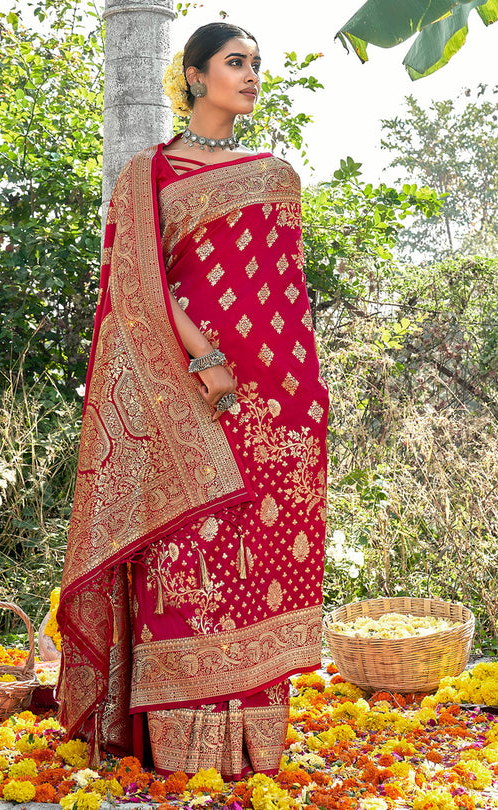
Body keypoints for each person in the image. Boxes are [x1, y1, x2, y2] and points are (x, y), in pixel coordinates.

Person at [57, 21, 329, 780]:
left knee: (258, 562)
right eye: (235, 63)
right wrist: (204, 357)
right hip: (186, 394)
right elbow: (139, 285)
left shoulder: (276, 175)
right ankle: (176, 747)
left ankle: (250, 751)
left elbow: (287, 299)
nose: (250, 76)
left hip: (278, 402)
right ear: (194, 75)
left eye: (255, 64)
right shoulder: (147, 176)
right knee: (188, 561)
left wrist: (306, 394)